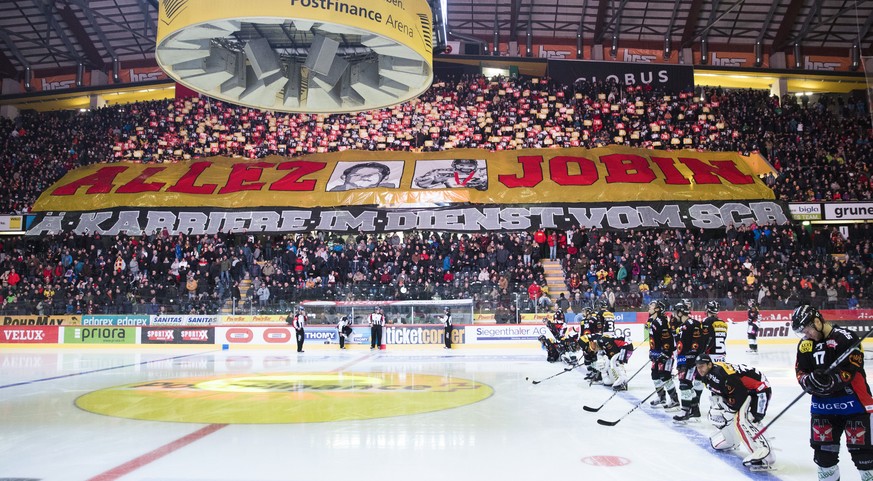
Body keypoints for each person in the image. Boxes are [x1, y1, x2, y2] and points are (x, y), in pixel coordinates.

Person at [792, 305, 873, 481]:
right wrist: (808, 380)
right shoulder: (805, 344)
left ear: (817, 321)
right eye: (802, 331)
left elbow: (850, 371)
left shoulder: (846, 338)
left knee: (865, 458)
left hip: (855, 406)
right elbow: (800, 371)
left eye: (807, 329)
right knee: (824, 458)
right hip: (823, 408)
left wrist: (830, 380)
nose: (806, 334)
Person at [695, 354, 774, 470]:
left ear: (710, 365)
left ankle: (764, 453)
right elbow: (723, 393)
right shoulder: (709, 375)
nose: (700, 369)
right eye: (698, 367)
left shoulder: (720, 375)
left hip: (759, 389)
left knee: (746, 420)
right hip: (747, 391)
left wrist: (729, 410)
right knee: (718, 414)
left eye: (702, 366)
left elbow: (740, 394)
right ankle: (731, 441)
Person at [672, 301, 704, 422]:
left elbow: (696, 344)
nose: (674, 314)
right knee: (687, 385)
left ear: (680, 312)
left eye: (676, 312)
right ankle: (695, 409)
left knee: (684, 384)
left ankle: (685, 410)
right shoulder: (682, 326)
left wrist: (690, 360)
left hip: (689, 361)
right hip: (683, 360)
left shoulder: (692, 324)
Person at [647, 300, 680, 410]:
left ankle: (675, 401)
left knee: (665, 376)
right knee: (655, 375)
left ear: (657, 309)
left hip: (666, 353)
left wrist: (666, 354)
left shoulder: (661, 322)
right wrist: (651, 352)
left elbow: (668, 340)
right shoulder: (654, 320)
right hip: (656, 353)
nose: (649, 306)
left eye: (652, 305)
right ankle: (662, 398)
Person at [413, 159, 488, 190]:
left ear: (475, 166)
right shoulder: (441, 172)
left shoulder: (482, 172)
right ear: (454, 166)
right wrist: (434, 181)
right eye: (461, 165)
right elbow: (420, 183)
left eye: (470, 166)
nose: (465, 168)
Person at [329, 162, 396, 191]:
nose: (365, 177)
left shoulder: (387, 189)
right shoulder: (336, 191)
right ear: (344, 177)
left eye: (371, 175)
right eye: (357, 175)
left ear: (385, 177)